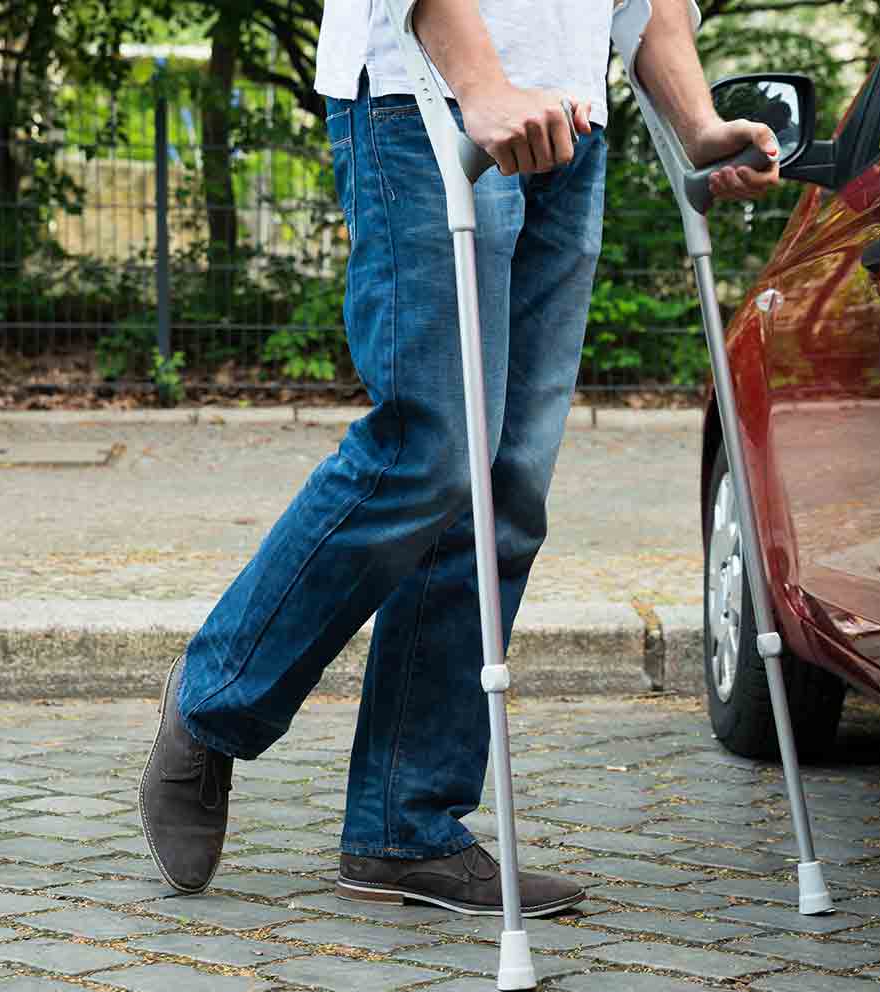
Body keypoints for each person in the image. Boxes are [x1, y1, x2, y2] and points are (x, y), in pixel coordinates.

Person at [138, 0, 781, 915]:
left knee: (507, 487)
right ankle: (210, 704)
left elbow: (653, 6)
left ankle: (405, 829)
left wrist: (700, 125)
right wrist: (481, 86)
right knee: (429, 453)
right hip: (422, 98)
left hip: (570, 125)